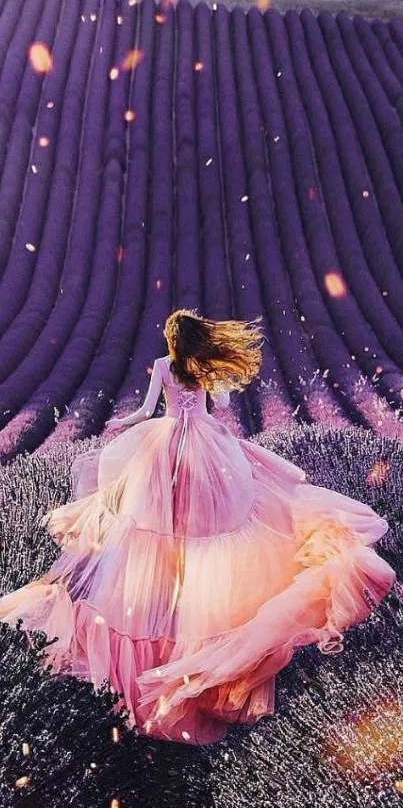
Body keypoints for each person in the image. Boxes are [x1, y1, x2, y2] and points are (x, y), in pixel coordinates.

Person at [0, 310, 395, 745]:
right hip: (206, 447)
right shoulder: (200, 368)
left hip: (165, 447)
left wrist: (122, 424)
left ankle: (164, 604)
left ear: (171, 340)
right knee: (223, 522)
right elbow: (222, 406)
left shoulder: (164, 366)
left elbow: (148, 409)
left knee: (152, 528)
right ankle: (199, 611)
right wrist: (213, 385)